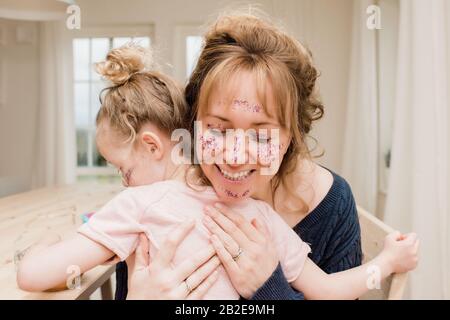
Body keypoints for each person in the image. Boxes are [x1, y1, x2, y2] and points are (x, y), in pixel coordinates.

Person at [16, 43, 419, 300]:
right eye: (219, 128)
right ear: (191, 127)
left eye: (261, 133)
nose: (236, 153)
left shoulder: (142, 204)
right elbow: (329, 290)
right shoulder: (260, 218)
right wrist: (385, 264)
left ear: (290, 138)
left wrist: (41, 245)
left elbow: (34, 275)